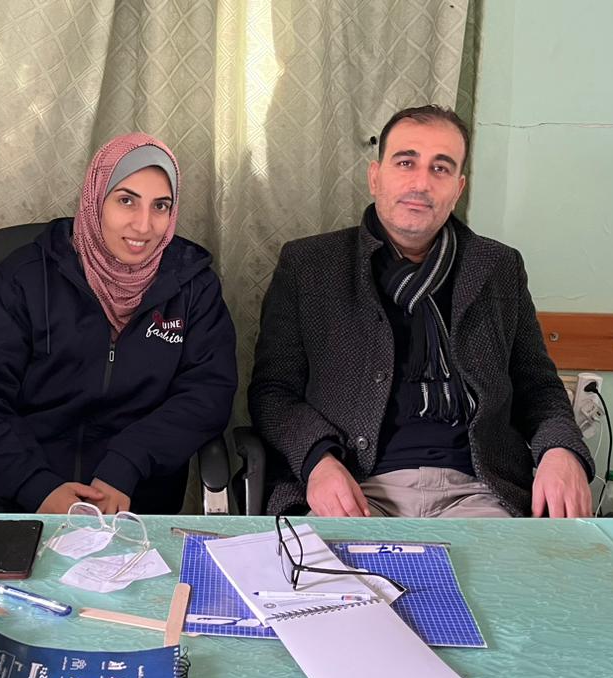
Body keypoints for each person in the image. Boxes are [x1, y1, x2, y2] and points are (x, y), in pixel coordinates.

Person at [249, 105, 593, 519]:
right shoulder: (311, 265)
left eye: (440, 168)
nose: (420, 183)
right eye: (406, 162)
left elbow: (538, 388)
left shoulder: (497, 268)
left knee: (504, 585)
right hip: (353, 487)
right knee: (343, 585)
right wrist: (318, 461)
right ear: (375, 176)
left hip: (480, 493)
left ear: (458, 188)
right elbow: (273, 393)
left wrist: (560, 449)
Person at [0, 132, 237, 515]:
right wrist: (38, 488)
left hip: (136, 507)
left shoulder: (192, 286)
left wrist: (126, 464)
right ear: (95, 198)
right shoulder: (26, 277)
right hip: (19, 503)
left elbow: (207, 395)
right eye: (126, 200)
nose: (144, 226)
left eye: (160, 206)